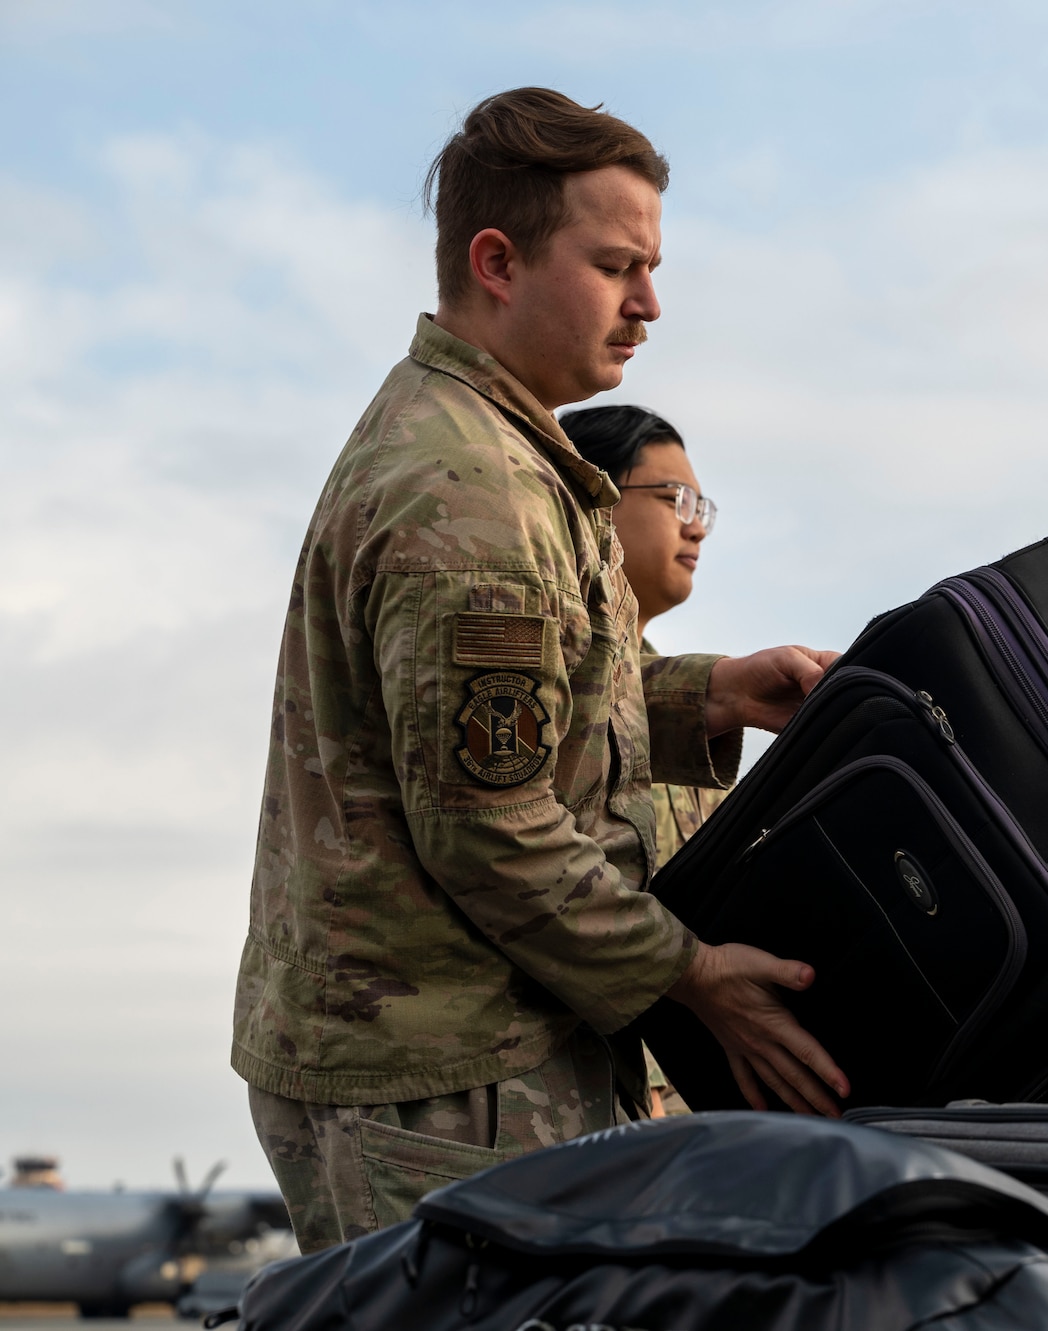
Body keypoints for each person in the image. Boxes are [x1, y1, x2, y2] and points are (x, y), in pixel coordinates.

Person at [234, 88, 850, 1253]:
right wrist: (695, 970)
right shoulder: (471, 492)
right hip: (448, 1071)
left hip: (456, 1050)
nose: (649, 304)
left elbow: (506, 722)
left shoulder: (493, 445)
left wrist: (708, 693)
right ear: (497, 261)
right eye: (617, 265)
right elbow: (488, 822)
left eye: (651, 268)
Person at [561, 403, 725, 1114]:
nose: (695, 525)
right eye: (675, 499)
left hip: (693, 1095)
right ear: (593, 498)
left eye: (703, 507)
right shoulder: (559, 683)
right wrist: (652, 1087)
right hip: (615, 1093)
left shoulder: (685, 698)